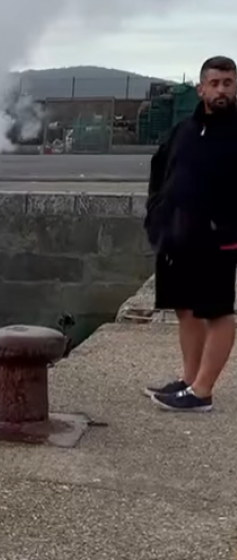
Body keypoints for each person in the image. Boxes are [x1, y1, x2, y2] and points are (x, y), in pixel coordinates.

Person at [144, 55, 237, 412]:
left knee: (217, 312)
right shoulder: (184, 129)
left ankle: (202, 392)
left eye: (228, 83)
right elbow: (161, 167)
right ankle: (188, 379)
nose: (221, 90)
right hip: (178, 235)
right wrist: (156, 210)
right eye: (214, 83)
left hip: (219, 237)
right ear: (201, 89)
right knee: (185, 309)